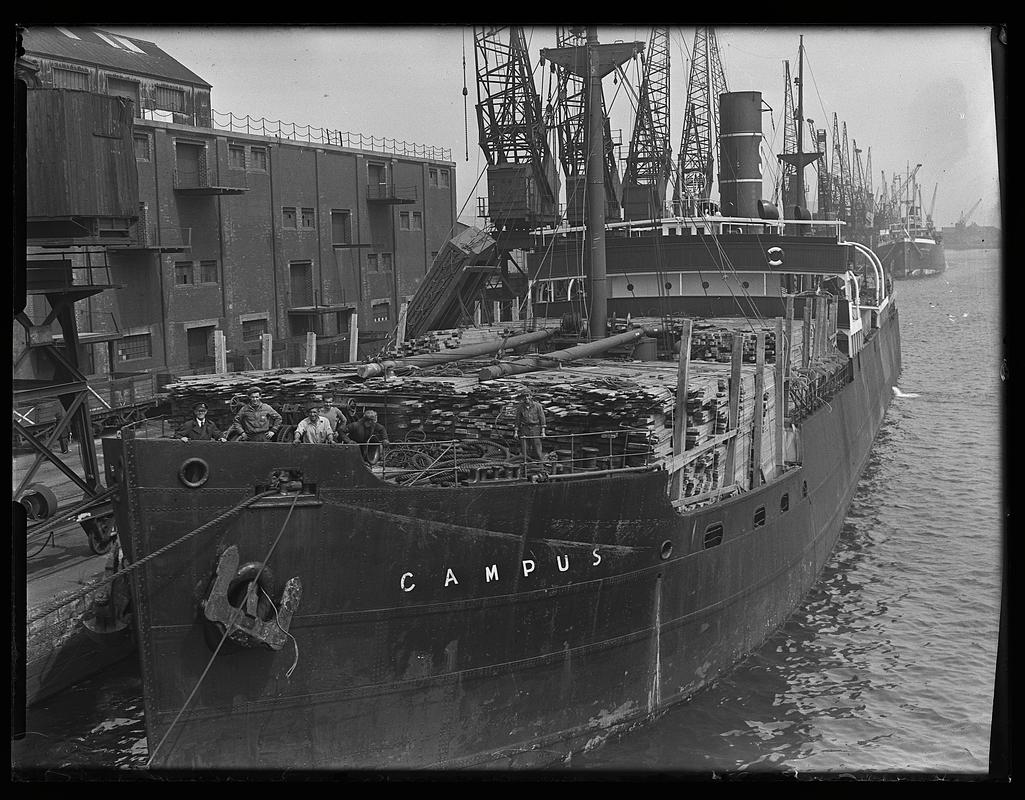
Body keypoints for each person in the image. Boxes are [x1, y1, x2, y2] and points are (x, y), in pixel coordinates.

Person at [514, 388, 547, 462]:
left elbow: (542, 419)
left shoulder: (538, 406)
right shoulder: (520, 407)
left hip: (535, 428)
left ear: (531, 396)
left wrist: (543, 432)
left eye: (527, 396)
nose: (526, 398)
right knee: (524, 448)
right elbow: (517, 420)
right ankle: (526, 466)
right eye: (524, 396)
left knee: (537, 447)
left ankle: (539, 466)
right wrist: (516, 432)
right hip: (524, 429)